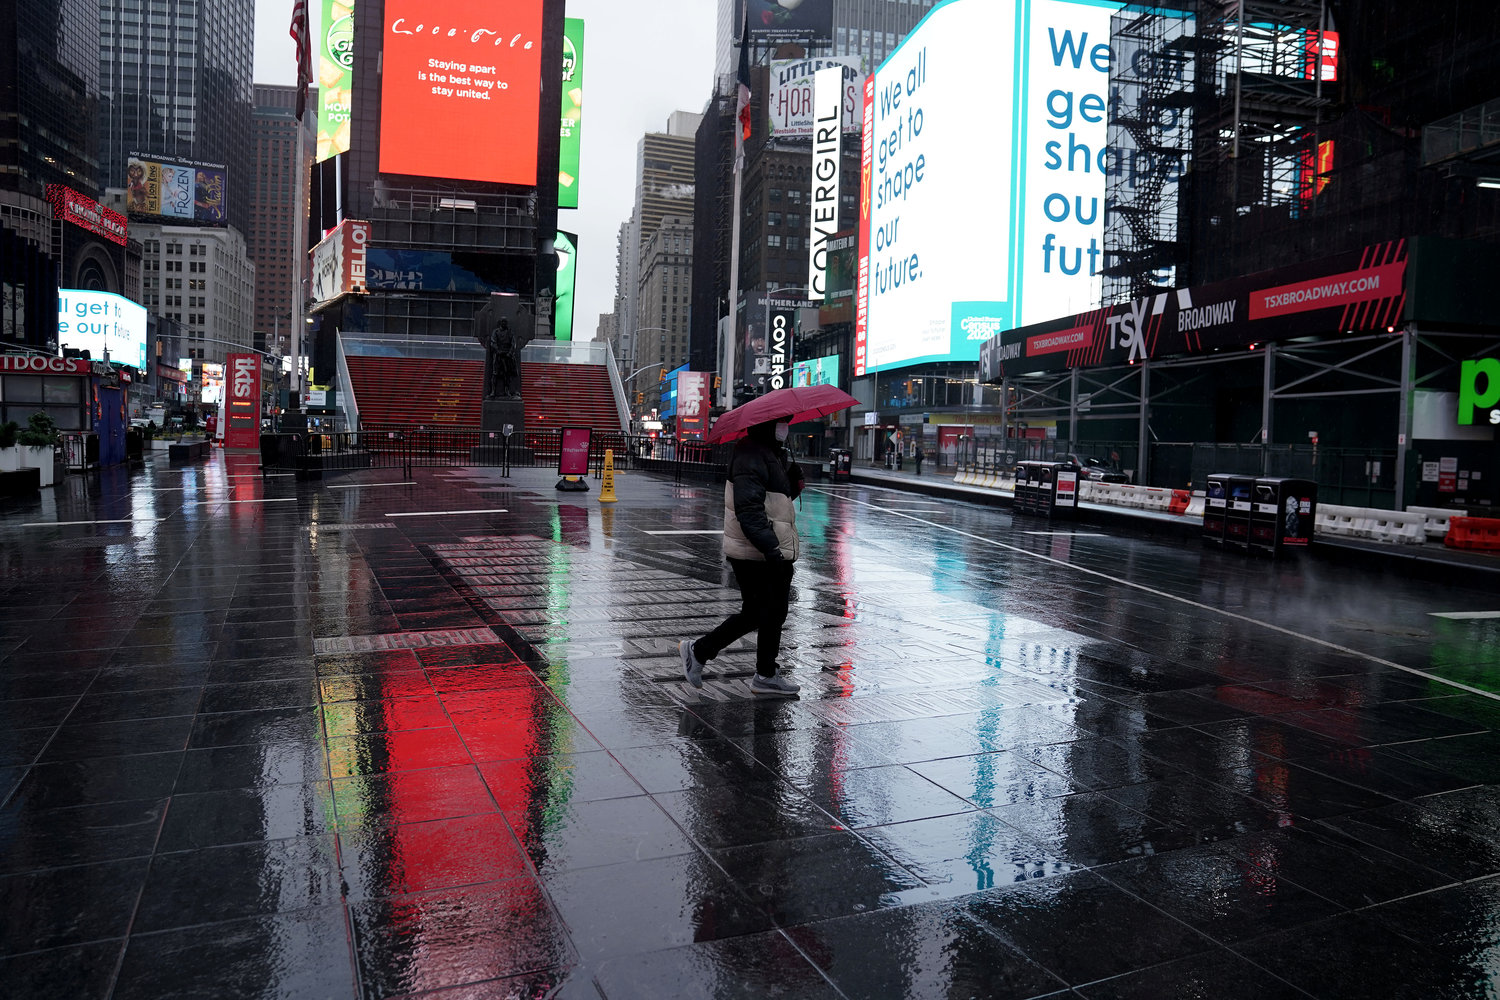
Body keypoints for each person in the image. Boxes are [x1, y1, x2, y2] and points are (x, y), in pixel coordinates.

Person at [681, 418, 805, 697]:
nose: (785, 428)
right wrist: (770, 548)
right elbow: (748, 508)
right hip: (757, 550)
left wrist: (793, 484)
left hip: (768, 547)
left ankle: (765, 674)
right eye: (781, 423)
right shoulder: (751, 453)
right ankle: (699, 651)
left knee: (772, 612)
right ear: (768, 425)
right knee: (760, 612)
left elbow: (773, 503)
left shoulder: (768, 451)